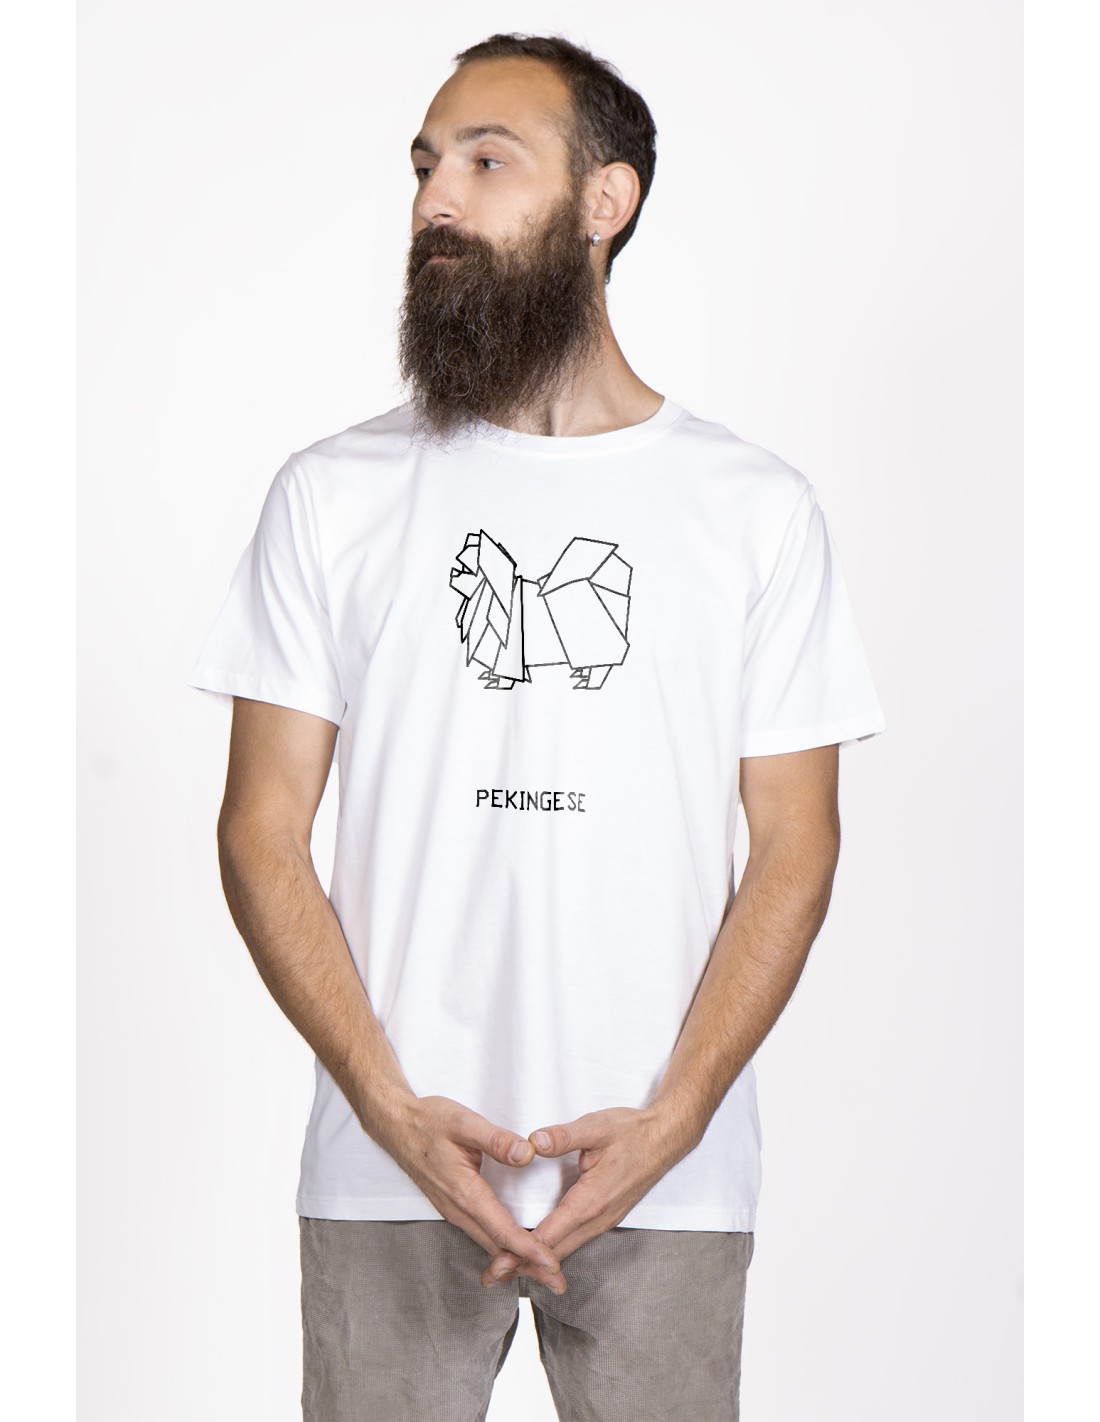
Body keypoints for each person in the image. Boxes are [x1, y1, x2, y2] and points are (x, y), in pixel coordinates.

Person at [187, 31, 887, 1422]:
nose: (435, 198)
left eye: (487, 161)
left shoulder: (753, 510)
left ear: (603, 202)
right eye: (424, 167)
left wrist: (672, 1123)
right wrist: (390, 1112)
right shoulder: (333, 495)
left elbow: (795, 845)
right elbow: (260, 830)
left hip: (664, 1178)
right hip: (389, 1171)